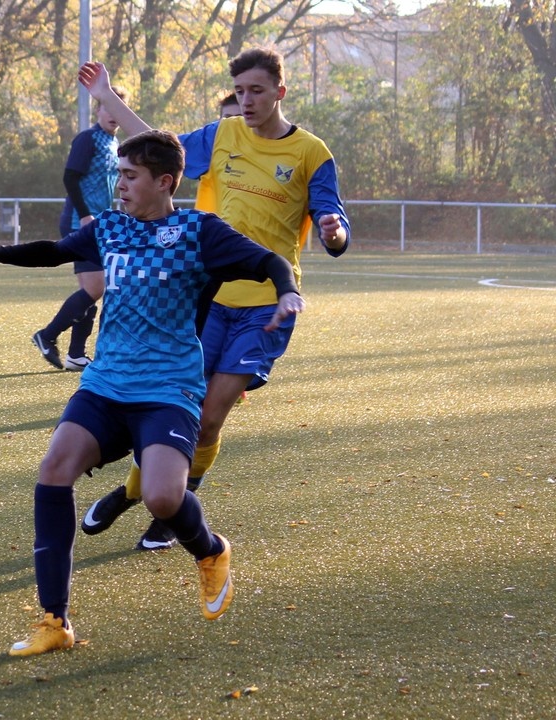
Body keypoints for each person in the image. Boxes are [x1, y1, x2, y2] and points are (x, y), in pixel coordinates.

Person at [0, 129, 306, 656]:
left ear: (164, 181)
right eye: (119, 174)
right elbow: (55, 251)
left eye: (130, 176)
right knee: (55, 467)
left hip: (169, 389)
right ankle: (54, 621)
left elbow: (268, 262)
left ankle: (210, 551)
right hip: (106, 384)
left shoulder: (201, 231)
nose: (120, 185)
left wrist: (288, 291)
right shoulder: (109, 228)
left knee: (161, 496)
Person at [77, 48, 350, 551]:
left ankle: (159, 509)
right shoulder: (222, 136)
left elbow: (333, 219)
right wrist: (107, 97)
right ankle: (135, 494)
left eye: (257, 91)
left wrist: (334, 233)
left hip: (268, 303)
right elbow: (158, 149)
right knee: (177, 408)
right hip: (205, 299)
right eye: (240, 90)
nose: (246, 100)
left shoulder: (312, 153)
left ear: (280, 92)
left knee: (209, 417)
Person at [32, 84, 128, 371]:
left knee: (93, 287)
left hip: (101, 223)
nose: (112, 114)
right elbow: (71, 178)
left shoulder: (115, 144)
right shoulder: (88, 139)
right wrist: (85, 215)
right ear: (98, 110)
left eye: (118, 110)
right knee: (96, 286)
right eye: (107, 108)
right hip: (80, 222)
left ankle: (75, 354)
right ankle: (46, 336)